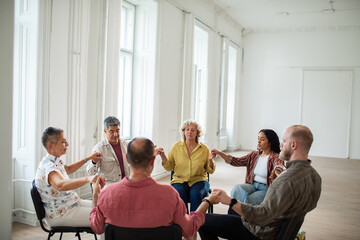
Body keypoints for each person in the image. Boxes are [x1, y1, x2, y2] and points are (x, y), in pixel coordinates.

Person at [198, 125, 322, 240]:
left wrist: (230, 201)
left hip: (260, 233)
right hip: (278, 231)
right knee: (234, 205)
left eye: (284, 141)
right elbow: (236, 160)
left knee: (201, 220)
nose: (281, 144)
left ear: (293, 145)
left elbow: (262, 216)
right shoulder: (315, 177)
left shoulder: (285, 180)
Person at [90, 137, 220, 239]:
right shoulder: (170, 195)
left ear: (127, 159)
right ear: (153, 160)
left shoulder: (107, 193)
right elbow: (189, 230)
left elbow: (97, 228)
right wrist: (207, 202)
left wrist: (96, 196)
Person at [35, 127, 106, 227]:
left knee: (106, 208)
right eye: (63, 142)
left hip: (72, 204)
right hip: (61, 214)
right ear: (51, 146)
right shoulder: (48, 168)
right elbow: (60, 185)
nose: (67, 144)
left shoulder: (53, 161)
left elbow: (67, 169)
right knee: (103, 218)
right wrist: (88, 178)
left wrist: (89, 158)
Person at [210, 129, 283, 205]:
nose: (258, 141)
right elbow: (237, 161)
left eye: (262, 139)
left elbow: (279, 166)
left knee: (249, 200)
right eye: (258, 138)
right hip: (252, 184)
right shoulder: (254, 155)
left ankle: (240, 216)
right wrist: (219, 153)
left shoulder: (276, 157)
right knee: (237, 189)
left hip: (266, 189)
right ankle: (233, 216)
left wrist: (277, 170)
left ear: (270, 142)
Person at [157, 120, 216, 213]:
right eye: (187, 129)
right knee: (180, 192)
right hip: (179, 180)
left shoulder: (204, 149)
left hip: (199, 180)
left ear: (197, 133)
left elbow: (210, 170)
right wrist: (162, 155)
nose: (189, 132)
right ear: (184, 132)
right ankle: (184, 221)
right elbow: (169, 167)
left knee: (196, 193)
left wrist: (210, 160)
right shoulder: (176, 147)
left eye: (193, 130)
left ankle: (195, 222)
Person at [87, 116, 130, 185]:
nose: (115, 134)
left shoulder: (128, 145)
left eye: (117, 130)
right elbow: (91, 173)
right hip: (109, 187)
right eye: (111, 131)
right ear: (105, 131)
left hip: (127, 185)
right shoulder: (99, 148)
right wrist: (94, 162)